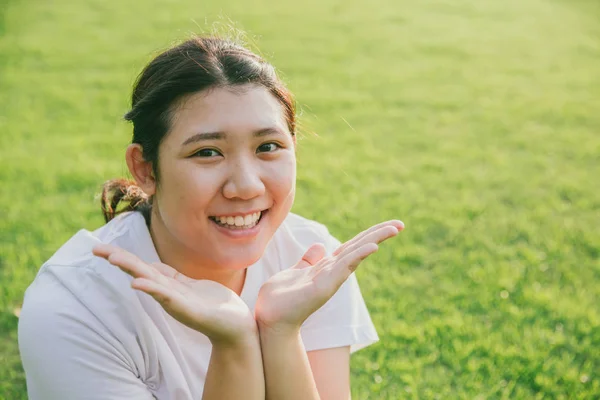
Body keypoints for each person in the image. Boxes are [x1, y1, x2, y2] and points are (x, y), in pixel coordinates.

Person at [17, 36, 404, 399]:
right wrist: (234, 344)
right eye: (207, 152)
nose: (246, 187)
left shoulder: (310, 262)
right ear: (146, 169)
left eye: (268, 147)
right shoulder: (74, 308)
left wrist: (281, 332)